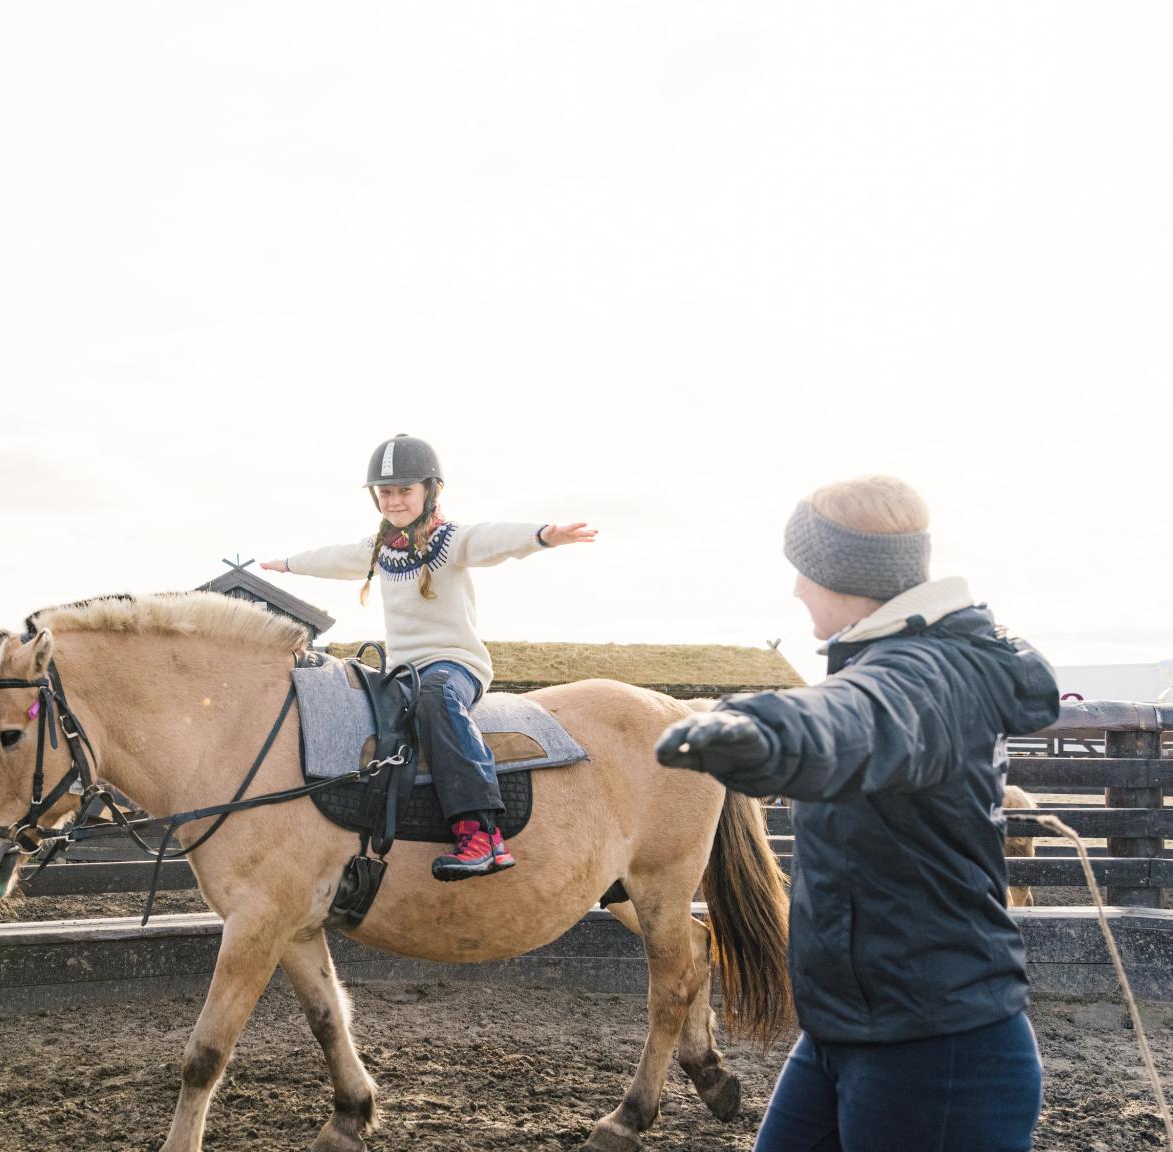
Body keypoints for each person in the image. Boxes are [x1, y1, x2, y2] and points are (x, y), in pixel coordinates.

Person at [655, 476, 1059, 1152]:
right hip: (851, 1030)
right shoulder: (904, 660)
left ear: (846, 576)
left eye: (805, 572)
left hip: (935, 1051)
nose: (796, 590)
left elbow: (854, 714)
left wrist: (766, 730)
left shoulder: (922, 676)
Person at [262, 434, 595, 880]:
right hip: (404, 672)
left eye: (405, 490)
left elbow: (490, 539)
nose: (395, 500)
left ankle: (481, 831)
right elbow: (333, 558)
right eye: (386, 492)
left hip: (454, 667)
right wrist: (288, 563)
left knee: (436, 697)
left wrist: (542, 536)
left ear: (429, 491)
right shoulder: (379, 550)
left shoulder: (450, 540)